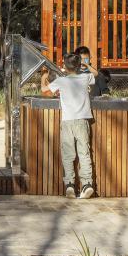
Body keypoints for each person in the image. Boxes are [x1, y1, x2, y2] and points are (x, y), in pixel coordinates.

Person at [48, 51, 97, 199]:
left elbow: (45, 90)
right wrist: (86, 64)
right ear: (78, 65)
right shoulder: (84, 77)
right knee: (84, 153)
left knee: (68, 154)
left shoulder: (61, 81)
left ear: (64, 65)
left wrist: (45, 78)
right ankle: (87, 184)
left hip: (67, 121)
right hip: (82, 120)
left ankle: (70, 184)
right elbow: (96, 73)